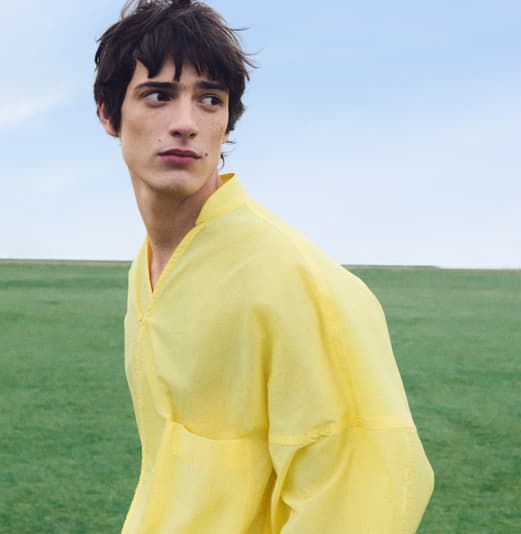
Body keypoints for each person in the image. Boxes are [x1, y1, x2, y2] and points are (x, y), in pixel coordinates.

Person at [93, 1, 434, 531]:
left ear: (227, 124)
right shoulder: (150, 268)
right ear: (108, 114)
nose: (185, 123)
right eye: (158, 95)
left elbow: (364, 494)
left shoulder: (299, 283)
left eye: (210, 100)